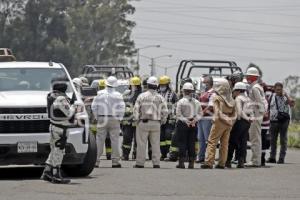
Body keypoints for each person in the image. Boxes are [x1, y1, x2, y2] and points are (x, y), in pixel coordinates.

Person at [41, 77, 77, 184]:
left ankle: (47, 172)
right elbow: (69, 113)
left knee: (54, 150)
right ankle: (56, 175)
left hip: (54, 126)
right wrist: (74, 106)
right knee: (59, 151)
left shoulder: (51, 96)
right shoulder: (61, 98)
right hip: (61, 128)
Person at [133, 76, 168, 168]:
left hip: (143, 123)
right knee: (156, 144)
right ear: (157, 86)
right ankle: (156, 163)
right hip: (156, 123)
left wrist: (136, 120)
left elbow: (136, 109)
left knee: (141, 144)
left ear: (148, 85)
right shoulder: (160, 97)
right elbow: (165, 111)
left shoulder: (142, 96)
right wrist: (162, 121)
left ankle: (140, 163)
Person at [201, 79, 236, 169]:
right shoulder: (231, 99)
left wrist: (225, 119)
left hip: (219, 122)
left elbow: (217, 112)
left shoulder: (217, 98)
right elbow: (235, 113)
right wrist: (230, 120)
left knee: (212, 141)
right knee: (224, 144)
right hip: (228, 124)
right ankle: (221, 163)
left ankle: (209, 162)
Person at [92, 76, 125, 168]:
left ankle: (96, 161)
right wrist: (120, 119)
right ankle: (115, 162)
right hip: (114, 119)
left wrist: (97, 117)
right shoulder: (118, 95)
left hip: (102, 118)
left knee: (99, 140)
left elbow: (94, 106)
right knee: (115, 140)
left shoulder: (99, 93)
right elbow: (122, 108)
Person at [175, 82, 203, 169]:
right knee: (192, 143)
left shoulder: (181, 101)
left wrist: (186, 121)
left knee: (182, 143)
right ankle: (191, 163)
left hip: (183, 124)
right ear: (192, 91)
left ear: (183, 91)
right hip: (193, 124)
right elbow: (200, 114)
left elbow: (178, 114)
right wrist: (194, 120)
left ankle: (181, 163)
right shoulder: (197, 102)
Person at [226, 82, 252, 168]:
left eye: (234, 91)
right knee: (243, 142)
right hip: (247, 123)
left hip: (240, 121)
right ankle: (241, 161)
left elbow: (240, 112)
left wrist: (246, 118)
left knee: (232, 141)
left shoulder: (238, 98)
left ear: (238, 91)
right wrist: (249, 119)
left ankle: (228, 161)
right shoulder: (248, 98)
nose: (233, 93)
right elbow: (251, 112)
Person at [267, 82, 294, 164]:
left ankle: (281, 158)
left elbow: (292, 104)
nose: (278, 91)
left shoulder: (285, 97)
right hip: (273, 121)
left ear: (282, 89)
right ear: (274, 89)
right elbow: (268, 108)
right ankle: (272, 157)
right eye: (277, 89)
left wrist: (287, 96)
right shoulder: (272, 96)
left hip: (284, 121)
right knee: (272, 140)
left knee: (283, 140)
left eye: (280, 89)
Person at [245, 67, 266, 167]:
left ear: (253, 77)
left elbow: (260, 103)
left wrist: (258, 114)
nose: (247, 77)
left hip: (256, 114)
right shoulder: (257, 87)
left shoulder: (254, 88)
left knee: (255, 138)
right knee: (256, 137)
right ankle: (256, 159)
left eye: (248, 75)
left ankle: (255, 161)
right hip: (257, 114)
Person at [121, 76, 142, 160]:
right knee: (126, 138)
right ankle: (125, 155)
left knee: (138, 140)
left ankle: (136, 154)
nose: (135, 87)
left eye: (136, 86)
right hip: (128, 122)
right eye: (133, 85)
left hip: (138, 121)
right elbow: (121, 106)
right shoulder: (126, 94)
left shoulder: (141, 95)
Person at [158, 75, 178, 160]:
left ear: (168, 85)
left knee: (168, 136)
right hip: (160, 118)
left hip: (170, 119)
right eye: (161, 85)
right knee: (161, 137)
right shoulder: (157, 93)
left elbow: (177, 105)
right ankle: (163, 154)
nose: (162, 87)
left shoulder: (173, 94)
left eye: (164, 85)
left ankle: (169, 154)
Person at [197, 75, 215, 163]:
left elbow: (211, 106)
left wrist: (201, 113)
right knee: (200, 138)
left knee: (208, 139)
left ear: (210, 83)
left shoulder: (212, 93)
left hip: (207, 118)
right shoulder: (203, 92)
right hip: (201, 119)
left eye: (205, 83)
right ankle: (201, 157)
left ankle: (209, 158)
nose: (203, 84)